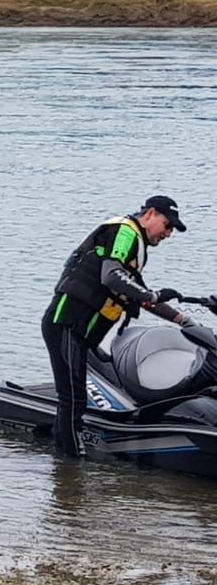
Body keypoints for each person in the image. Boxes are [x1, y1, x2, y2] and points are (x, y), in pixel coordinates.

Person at [44, 195, 191, 458]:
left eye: (172, 230)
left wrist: (184, 320)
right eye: (167, 225)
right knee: (73, 398)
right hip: (65, 324)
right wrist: (153, 295)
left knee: (75, 396)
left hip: (80, 333)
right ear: (150, 214)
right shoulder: (125, 231)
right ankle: (69, 469)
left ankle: (65, 467)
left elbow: (138, 294)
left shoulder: (135, 249)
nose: (169, 233)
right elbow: (111, 276)